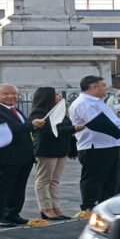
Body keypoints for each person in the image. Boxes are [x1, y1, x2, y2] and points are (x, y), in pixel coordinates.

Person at [69, 75, 120, 217]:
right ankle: (88, 206)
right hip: (95, 146)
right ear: (94, 87)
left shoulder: (99, 102)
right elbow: (98, 124)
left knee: (111, 179)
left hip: (109, 144)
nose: (106, 88)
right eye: (103, 85)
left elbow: (111, 121)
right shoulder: (84, 103)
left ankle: (105, 205)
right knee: (93, 178)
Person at [0, 84, 45, 227]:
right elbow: (0, 128)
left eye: (14, 94)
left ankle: (12, 214)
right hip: (6, 155)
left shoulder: (15, 110)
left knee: (18, 187)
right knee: (3, 187)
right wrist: (31, 125)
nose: (11, 97)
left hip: (24, 154)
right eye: (6, 94)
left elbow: (21, 128)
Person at [31, 87, 81, 221]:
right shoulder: (39, 112)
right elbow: (49, 130)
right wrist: (73, 128)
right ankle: (45, 208)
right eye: (56, 95)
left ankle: (55, 206)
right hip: (47, 149)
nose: (59, 97)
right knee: (44, 180)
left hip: (61, 149)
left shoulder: (59, 111)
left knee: (55, 181)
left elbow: (65, 128)